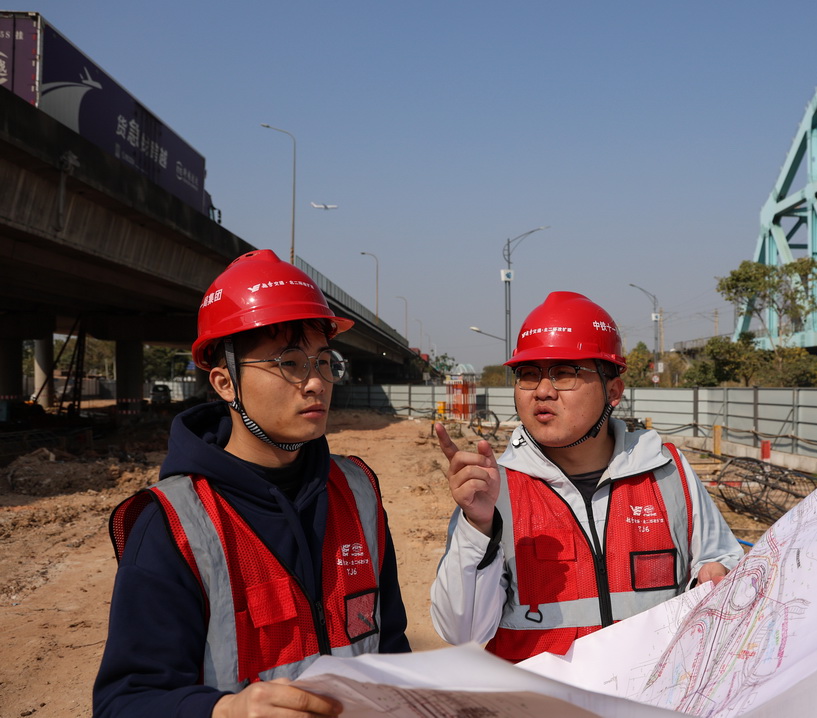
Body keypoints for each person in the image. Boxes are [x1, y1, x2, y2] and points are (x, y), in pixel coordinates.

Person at [94, 249, 410, 718]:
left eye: (324, 362)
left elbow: (389, 643)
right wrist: (224, 712)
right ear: (225, 383)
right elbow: (125, 702)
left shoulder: (357, 490)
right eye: (289, 362)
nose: (316, 383)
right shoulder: (173, 525)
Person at [430, 291, 743, 662]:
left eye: (565, 373)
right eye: (528, 375)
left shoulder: (668, 470)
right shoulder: (496, 491)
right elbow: (460, 632)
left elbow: (722, 562)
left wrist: (715, 576)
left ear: (613, 391)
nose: (543, 391)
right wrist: (477, 527)